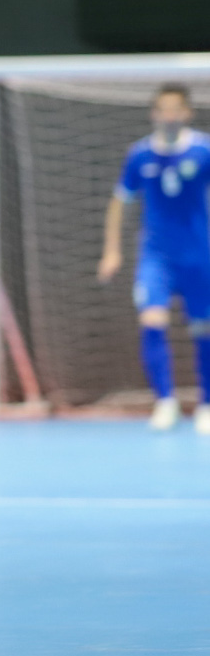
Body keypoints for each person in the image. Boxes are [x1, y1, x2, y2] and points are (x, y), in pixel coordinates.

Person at [97, 85, 210, 433]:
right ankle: (165, 402)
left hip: (199, 255)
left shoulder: (204, 150)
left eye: (176, 109)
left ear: (187, 113)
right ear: (154, 114)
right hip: (156, 258)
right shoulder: (140, 155)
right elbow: (119, 202)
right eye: (163, 109)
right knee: (152, 321)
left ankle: (206, 405)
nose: (170, 116)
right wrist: (112, 251)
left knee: (203, 329)